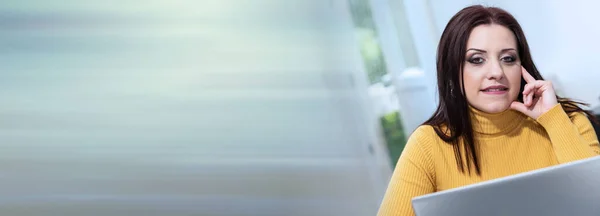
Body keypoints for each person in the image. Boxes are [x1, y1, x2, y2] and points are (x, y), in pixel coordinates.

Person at [376, 5, 600, 216]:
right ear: (454, 71)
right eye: (477, 59)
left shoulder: (568, 120)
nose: (496, 71)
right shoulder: (428, 144)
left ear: (522, 66)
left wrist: (553, 120)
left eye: (508, 59)